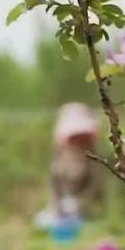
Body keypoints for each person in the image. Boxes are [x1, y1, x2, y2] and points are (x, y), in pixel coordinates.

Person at [36, 103, 101, 240]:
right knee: (43, 221)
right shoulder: (58, 160)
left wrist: (80, 203)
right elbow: (53, 186)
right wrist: (57, 206)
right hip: (61, 208)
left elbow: (94, 188)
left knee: (85, 225)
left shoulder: (92, 160)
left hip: (83, 209)